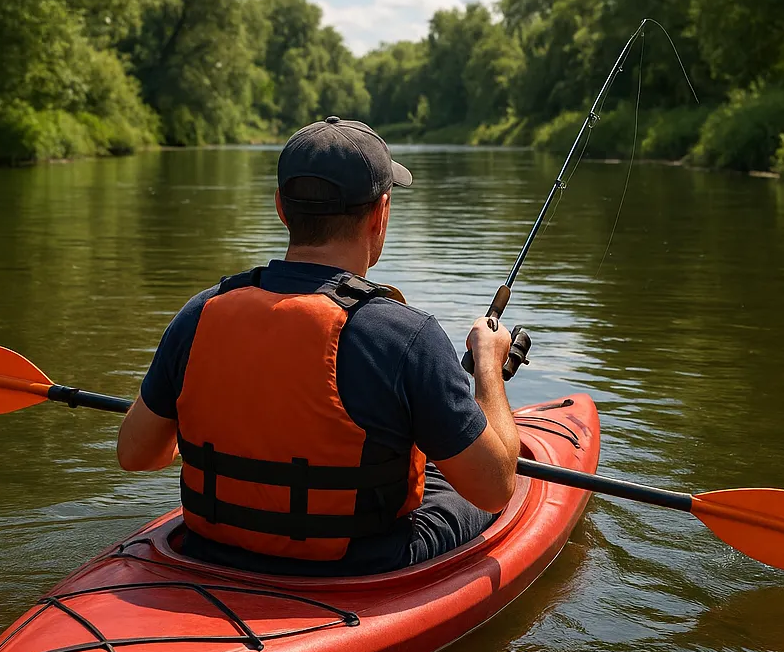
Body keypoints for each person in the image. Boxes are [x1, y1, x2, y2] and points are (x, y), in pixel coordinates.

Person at [116, 116, 520, 575]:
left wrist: (210, 428)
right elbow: (494, 487)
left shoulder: (200, 312)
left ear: (281, 209)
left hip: (210, 551)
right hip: (355, 567)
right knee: (465, 486)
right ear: (380, 213)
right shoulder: (406, 336)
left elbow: (136, 454)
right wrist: (488, 364)